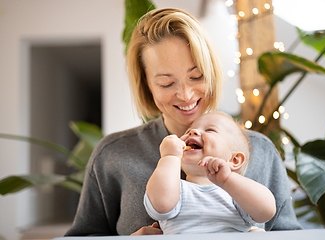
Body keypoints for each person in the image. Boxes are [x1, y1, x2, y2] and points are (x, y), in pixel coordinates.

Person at [65, 8, 302, 236]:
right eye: (167, 83)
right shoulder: (113, 154)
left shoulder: (260, 151)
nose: (186, 95)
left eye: (196, 76)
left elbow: (291, 235)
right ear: (147, 85)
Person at [144, 112, 276, 234]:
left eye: (210, 130)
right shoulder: (175, 190)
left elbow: (266, 211)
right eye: (188, 131)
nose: (193, 132)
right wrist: (170, 157)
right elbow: (161, 205)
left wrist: (227, 180)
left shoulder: (236, 194)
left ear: (234, 160)